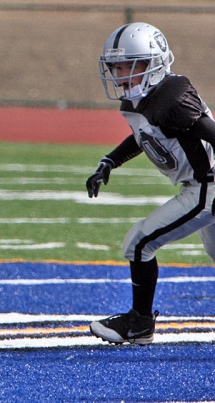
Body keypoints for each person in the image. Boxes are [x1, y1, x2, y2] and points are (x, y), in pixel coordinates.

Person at [86, 22, 215, 345]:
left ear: (156, 63)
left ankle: (140, 323)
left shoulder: (172, 98)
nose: (123, 74)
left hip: (208, 185)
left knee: (140, 242)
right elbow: (143, 136)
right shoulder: (140, 101)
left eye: (132, 65)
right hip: (200, 184)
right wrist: (110, 161)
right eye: (117, 67)